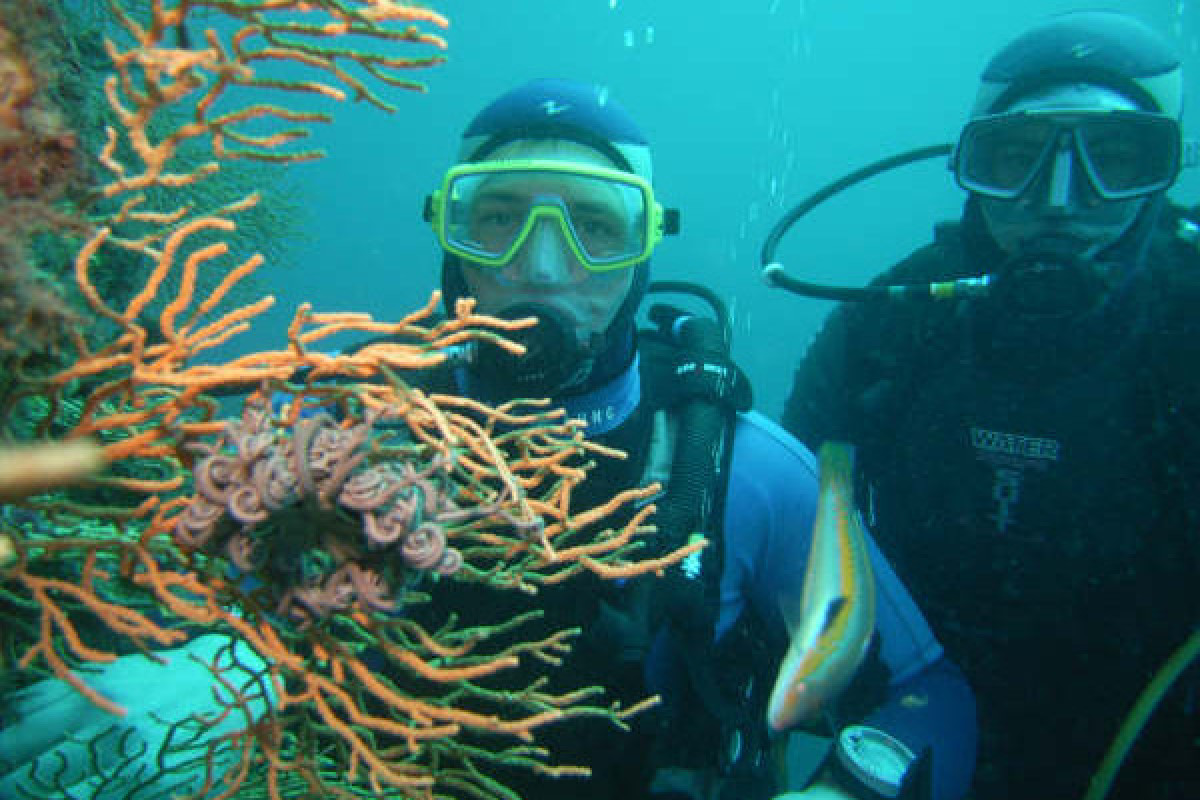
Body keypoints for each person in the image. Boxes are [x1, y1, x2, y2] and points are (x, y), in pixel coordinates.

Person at [414, 78, 976, 800]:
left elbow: (930, 695)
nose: (542, 267)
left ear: (645, 244)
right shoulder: (348, 435)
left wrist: (847, 789)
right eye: (496, 218)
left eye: (594, 225)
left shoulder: (745, 471)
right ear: (448, 234)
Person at [782, 11, 1200, 800]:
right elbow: (789, 518)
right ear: (971, 167)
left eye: (1115, 159)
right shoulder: (890, 327)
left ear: (1162, 174)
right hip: (905, 742)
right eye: (1017, 158)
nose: (1059, 200)